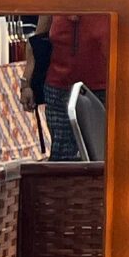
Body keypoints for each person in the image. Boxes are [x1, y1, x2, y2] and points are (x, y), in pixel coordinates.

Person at [42, 10, 109, 160]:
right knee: (61, 154)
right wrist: (26, 83)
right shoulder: (54, 1)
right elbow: (38, 42)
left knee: (102, 151)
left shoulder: (107, 2)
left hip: (102, 87)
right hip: (58, 87)